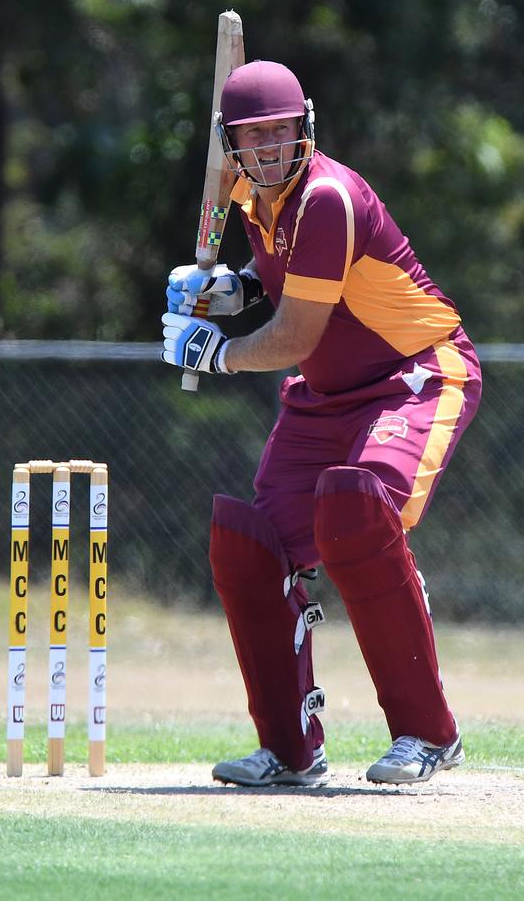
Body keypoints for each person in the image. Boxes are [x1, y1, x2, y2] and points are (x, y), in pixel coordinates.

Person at [161, 60, 482, 787]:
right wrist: (234, 285)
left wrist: (217, 353)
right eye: (255, 137)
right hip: (327, 395)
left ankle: (427, 735)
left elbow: (295, 337)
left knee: (357, 512)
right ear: (232, 143)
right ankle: (288, 749)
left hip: (417, 376)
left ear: (304, 125)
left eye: (281, 133)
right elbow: (282, 271)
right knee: (253, 548)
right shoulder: (249, 193)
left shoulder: (328, 197)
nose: (271, 149)